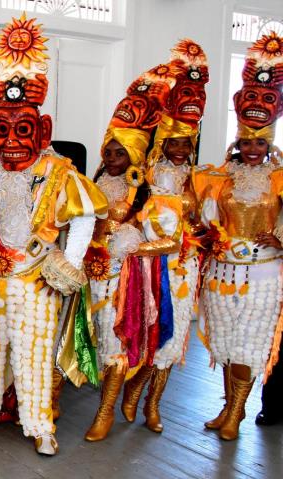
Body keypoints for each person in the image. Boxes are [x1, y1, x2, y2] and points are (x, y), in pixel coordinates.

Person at [0, 14, 107, 455]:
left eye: (23, 128)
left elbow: (84, 216)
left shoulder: (57, 170)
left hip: (37, 277)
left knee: (34, 354)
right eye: (2, 129)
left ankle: (39, 424)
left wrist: (70, 260)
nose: (11, 139)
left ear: (43, 130)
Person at [194, 32, 283, 441]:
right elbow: (205, 218)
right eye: (245, 142)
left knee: (250, 344)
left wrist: (280, 237)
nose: (251, 149)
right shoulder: (219, 177)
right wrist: (210, 236)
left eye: (258, 143)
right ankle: (228, 406)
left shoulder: (280, 177)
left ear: (268, 144)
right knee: (227, 342)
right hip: (221, 274)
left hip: (263, 277)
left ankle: (238, 413)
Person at [118, 40, 209, 435]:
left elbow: (208, 225)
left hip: (182, 269)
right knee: (146, 333)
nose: (178, 149)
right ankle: (130, 393)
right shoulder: (144, 179)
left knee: (173, 344)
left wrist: (203, 238)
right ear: (161, 144)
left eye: (185, 144)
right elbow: (131, 217)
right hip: (146, 268)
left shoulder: (201, 180)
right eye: (172, 142)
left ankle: (153, 405)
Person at [82, 62, 172, 441]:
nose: (114, 158)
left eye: (122, 153)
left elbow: (169, 241)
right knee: (92, 340)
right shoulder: (91, 182)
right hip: (90, 275)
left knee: (117, 343)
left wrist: (133, 247)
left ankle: (105, 413)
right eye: (110, 151)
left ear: (135, 156)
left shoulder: (147, 196)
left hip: (124, 282)